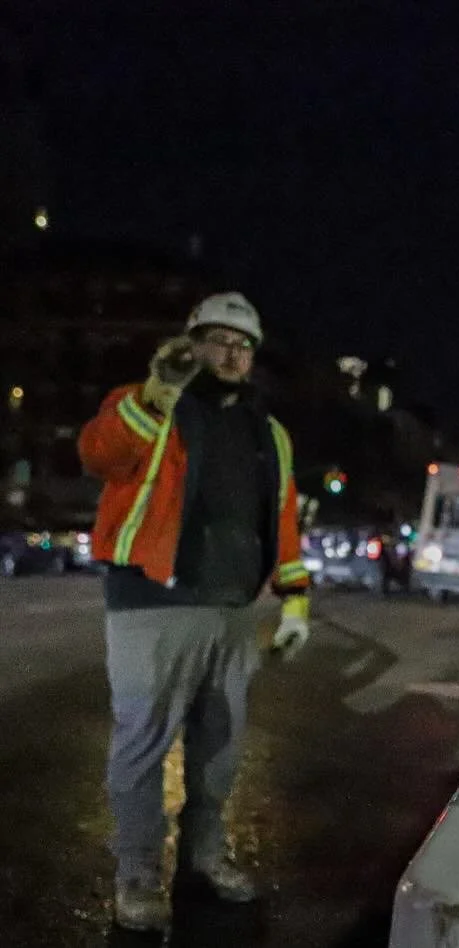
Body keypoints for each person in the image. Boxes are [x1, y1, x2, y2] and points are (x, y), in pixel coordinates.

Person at [78, 291, 312, 932]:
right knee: (141, 747)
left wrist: (294, 597)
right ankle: (136, 876)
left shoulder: (270, 432)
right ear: (190, 345)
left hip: (233, 609)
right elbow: (99, 454)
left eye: (242, 344)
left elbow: (282, 516)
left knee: (218, 752)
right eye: (217, 340)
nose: (231, 354)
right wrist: (156, 393)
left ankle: (205, 859)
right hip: (152, 603)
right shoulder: (153, 404)